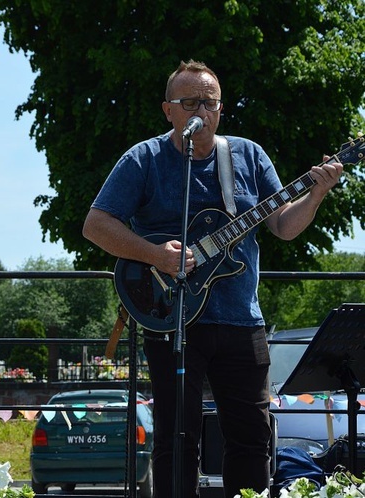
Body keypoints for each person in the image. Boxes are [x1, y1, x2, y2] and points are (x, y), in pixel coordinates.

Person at [82, 60, 342, 498]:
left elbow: (282, 226)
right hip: (172, 320)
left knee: (252, 439)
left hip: (242, 319)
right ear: (169, 110)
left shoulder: (248, 155)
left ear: (221, 109)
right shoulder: (143, 159)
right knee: (176, 438)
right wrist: (154, 255)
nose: (200, 109)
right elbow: (95, 224)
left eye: (209, 101)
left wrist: (316, 193)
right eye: (190, 102)